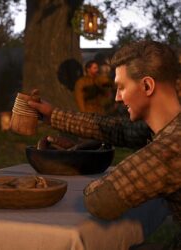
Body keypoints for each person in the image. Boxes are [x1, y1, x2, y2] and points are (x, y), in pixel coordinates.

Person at [28, 41, 180, 246]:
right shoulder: (171, 126)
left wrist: (97, 183)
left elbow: (101, 200)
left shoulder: (171, 147)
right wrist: (53, 115)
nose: (117, 97)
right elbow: (116, 130)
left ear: (147, 86)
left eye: (121, 87)